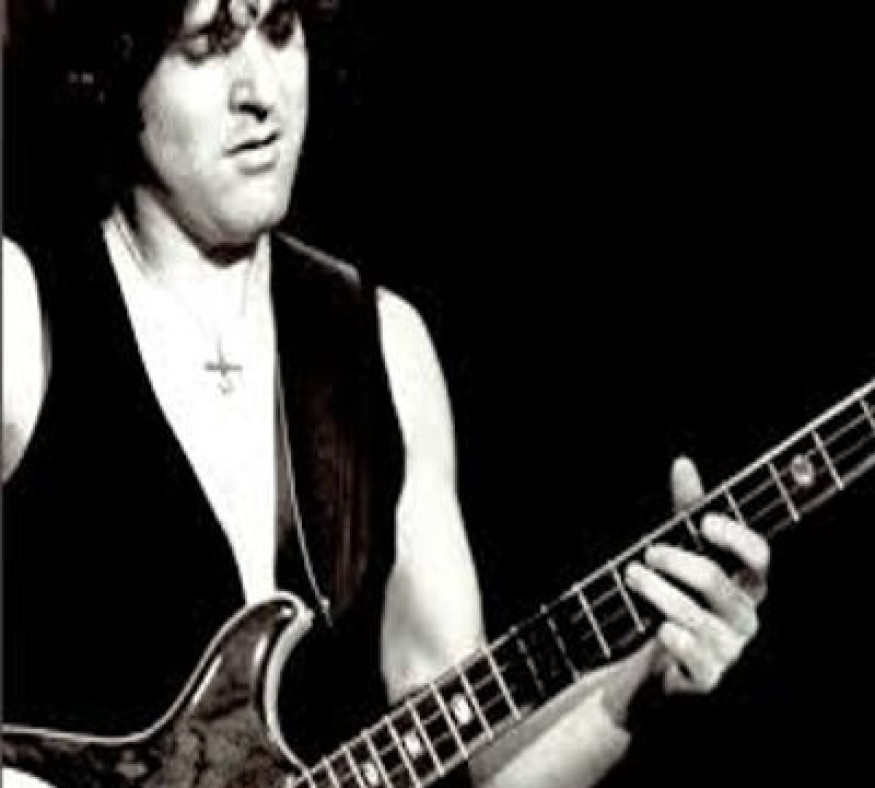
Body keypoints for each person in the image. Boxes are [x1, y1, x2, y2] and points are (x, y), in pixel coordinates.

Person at [1, 0, 770, 785]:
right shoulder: (21, 314)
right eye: (210, 43)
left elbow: (468, 758)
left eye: (279, 29)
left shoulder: (379, 345)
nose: (261, 91)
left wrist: (635, 684)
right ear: (112, 70)